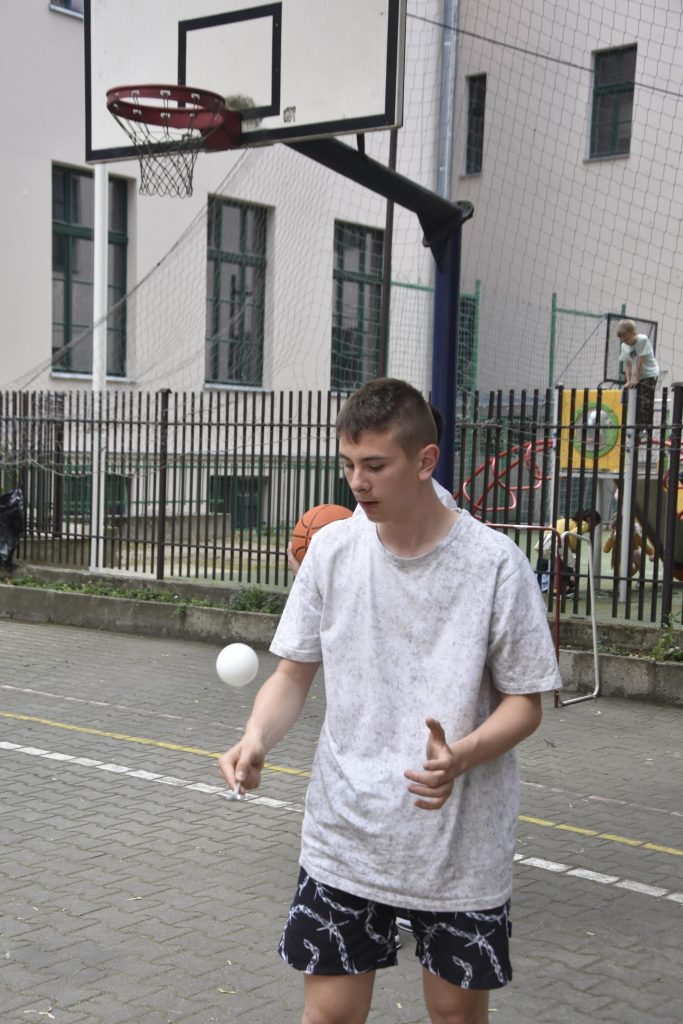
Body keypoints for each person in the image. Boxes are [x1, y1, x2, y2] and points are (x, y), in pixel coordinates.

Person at [219, 377, 561, 1024]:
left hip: (458, 842)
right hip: (345, 830)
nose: (357, 482)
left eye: (375, 465)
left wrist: (461, 756)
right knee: (328, 1016)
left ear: (425, 460)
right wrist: (256, 737)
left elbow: (525, 703)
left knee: (455, 1015)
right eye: (348, 464)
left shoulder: (495, 565)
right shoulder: (330, 550)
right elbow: (291, 674)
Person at [616, 319, 660, 435]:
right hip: (637, 376)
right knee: (633, 401)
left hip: (649, 374)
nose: (625, 342)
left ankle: (645, 428)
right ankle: (635, 428)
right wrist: (628, 381)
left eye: (627, 339)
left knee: (645, 400)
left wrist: (636, 379)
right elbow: (627, 364)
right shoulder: (624, 346)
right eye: (623, 340)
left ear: (634, 333)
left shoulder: (642, 340)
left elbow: (640, 362)